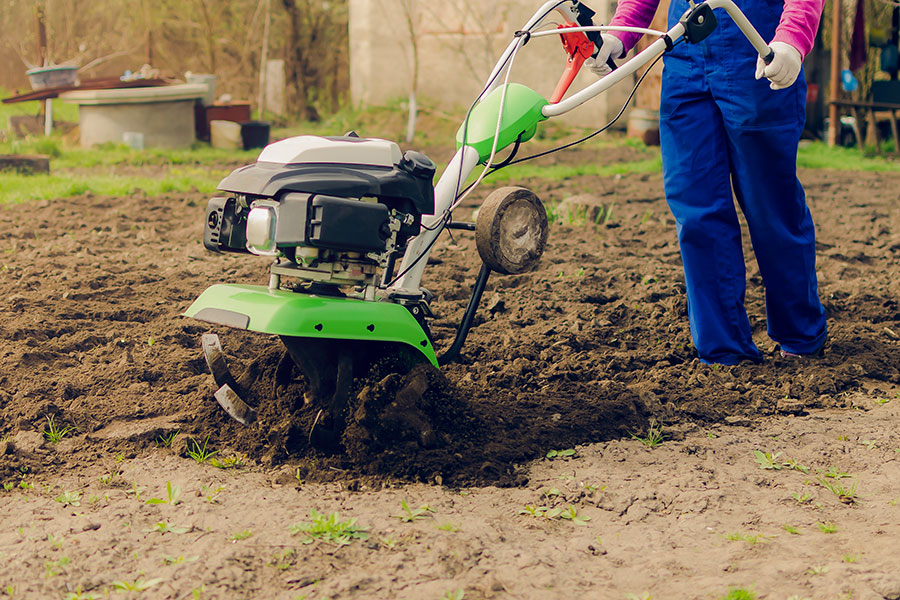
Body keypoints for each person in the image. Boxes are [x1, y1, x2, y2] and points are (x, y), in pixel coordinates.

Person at [587, 0, 828, 365]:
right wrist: (619, 35)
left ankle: (800, 334)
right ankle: (723, 348)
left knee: (771, 205)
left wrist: (792, 39)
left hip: (755, 46)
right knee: (696, 203)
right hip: (685, 52)